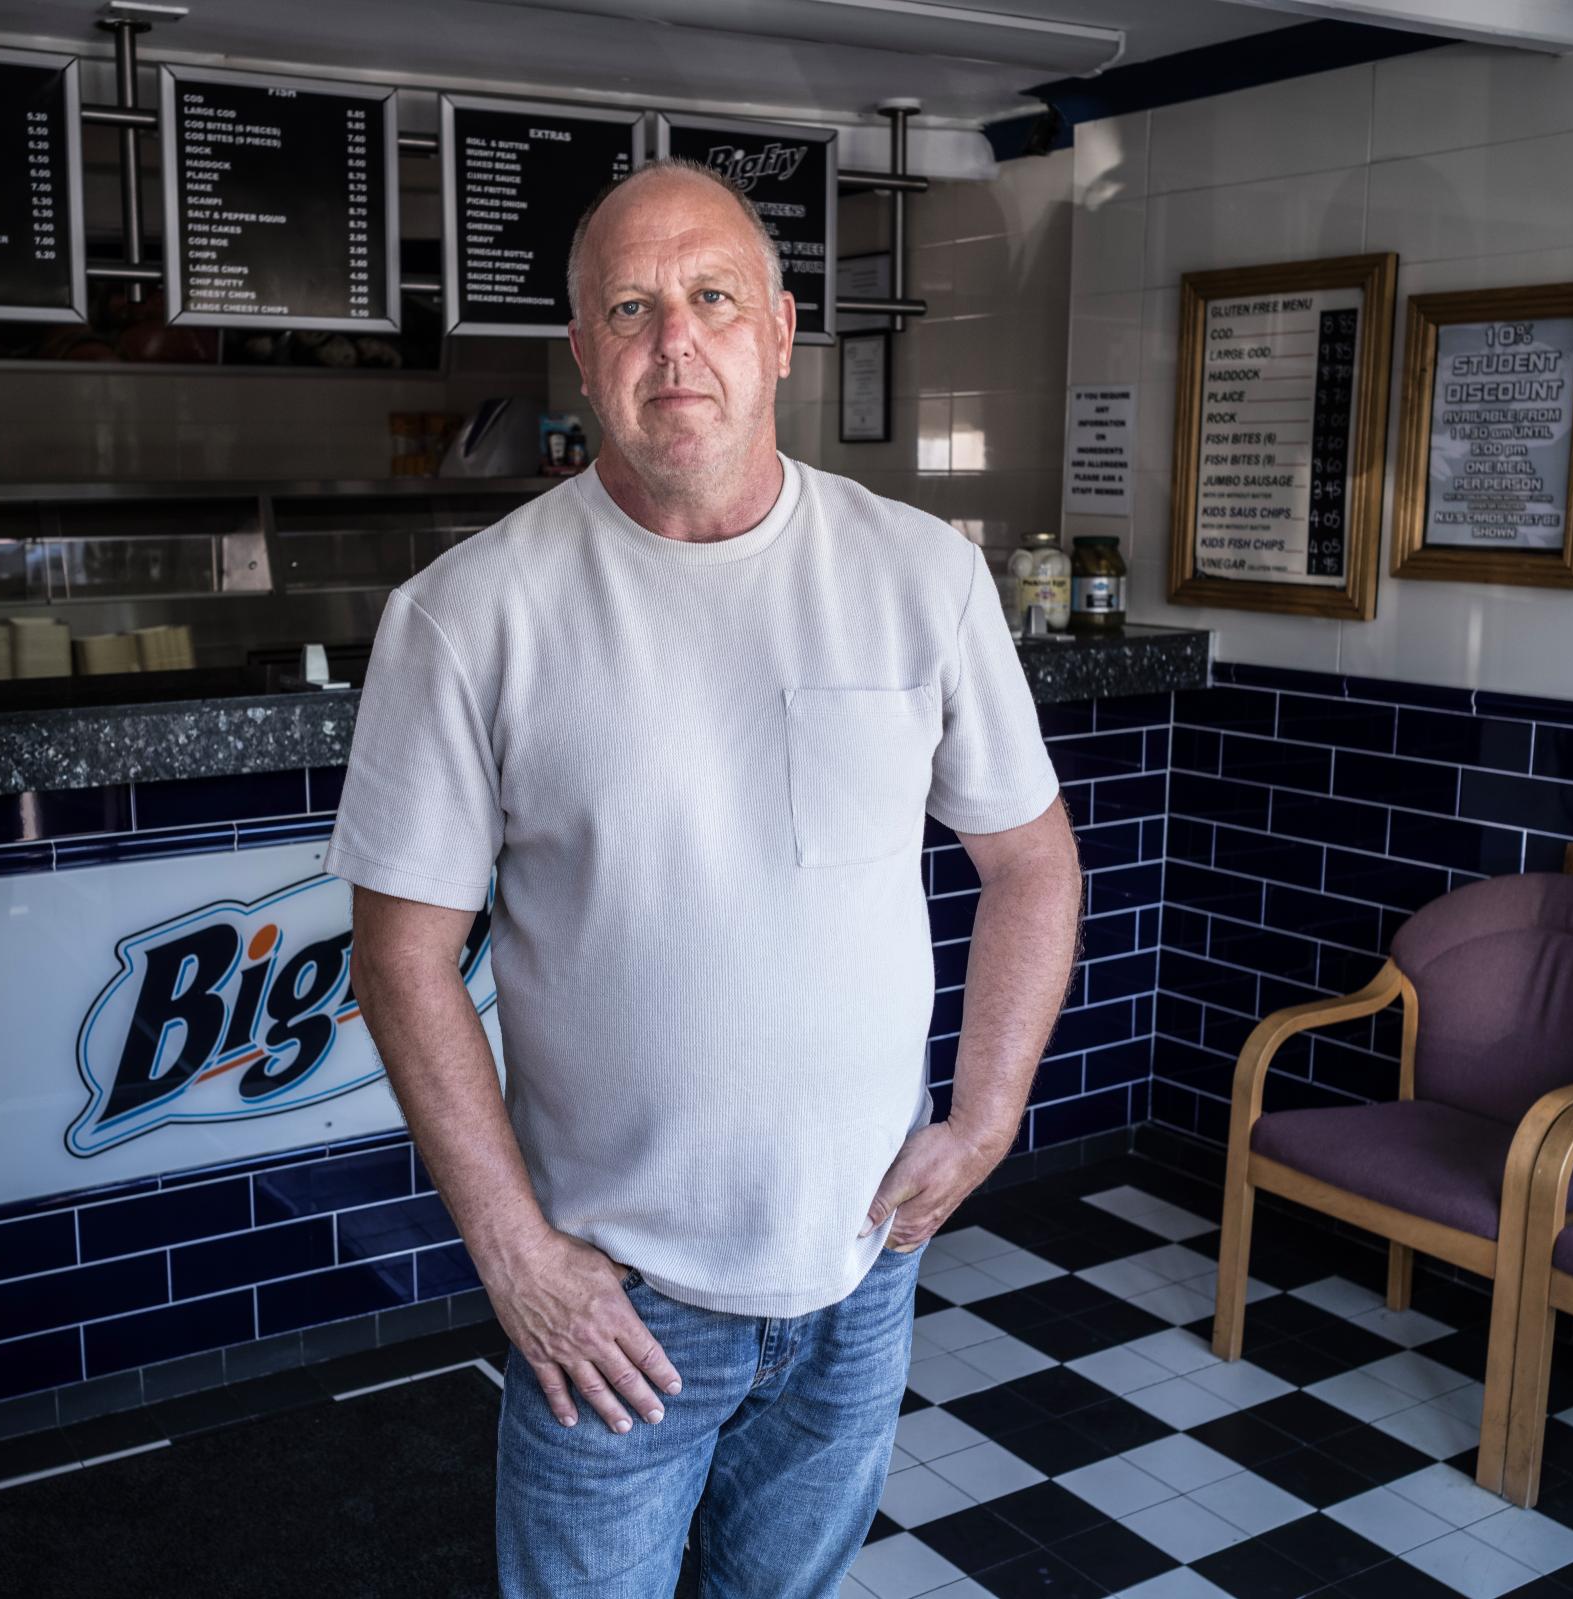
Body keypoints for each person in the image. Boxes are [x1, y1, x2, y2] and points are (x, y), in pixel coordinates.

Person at [326, 157, 1082, 1598]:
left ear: (783, 333)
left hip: (861, 1279)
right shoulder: (467, 616)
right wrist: (517, 1258)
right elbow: (402, 955)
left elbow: (1032, 865)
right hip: (612, 1310)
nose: (675, 338)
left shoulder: (922, 572)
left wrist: (986, 1120)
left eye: (713, 298)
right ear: (583, 355)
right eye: (631, 306)